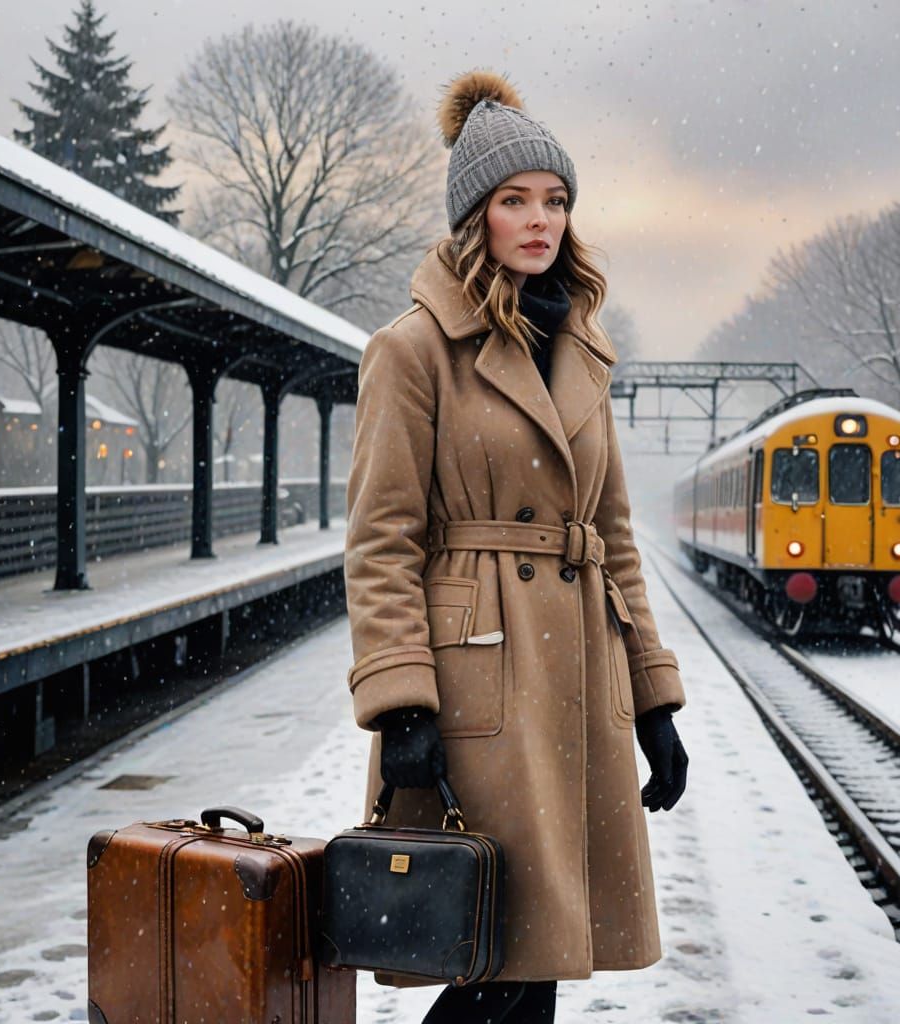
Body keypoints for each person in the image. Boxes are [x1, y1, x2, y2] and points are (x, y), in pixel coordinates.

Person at [343, 70, 689, 1024]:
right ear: (475, 217)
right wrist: (400, 702)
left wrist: (653, 700)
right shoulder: (412, 351)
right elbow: (380, 540)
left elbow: (613, 539)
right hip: (479, 684)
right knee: (494, 959)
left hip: (576, 677)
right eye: (515, 200)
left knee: (536, 967)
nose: (541, 220)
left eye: (556, 200)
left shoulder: (584, 350)